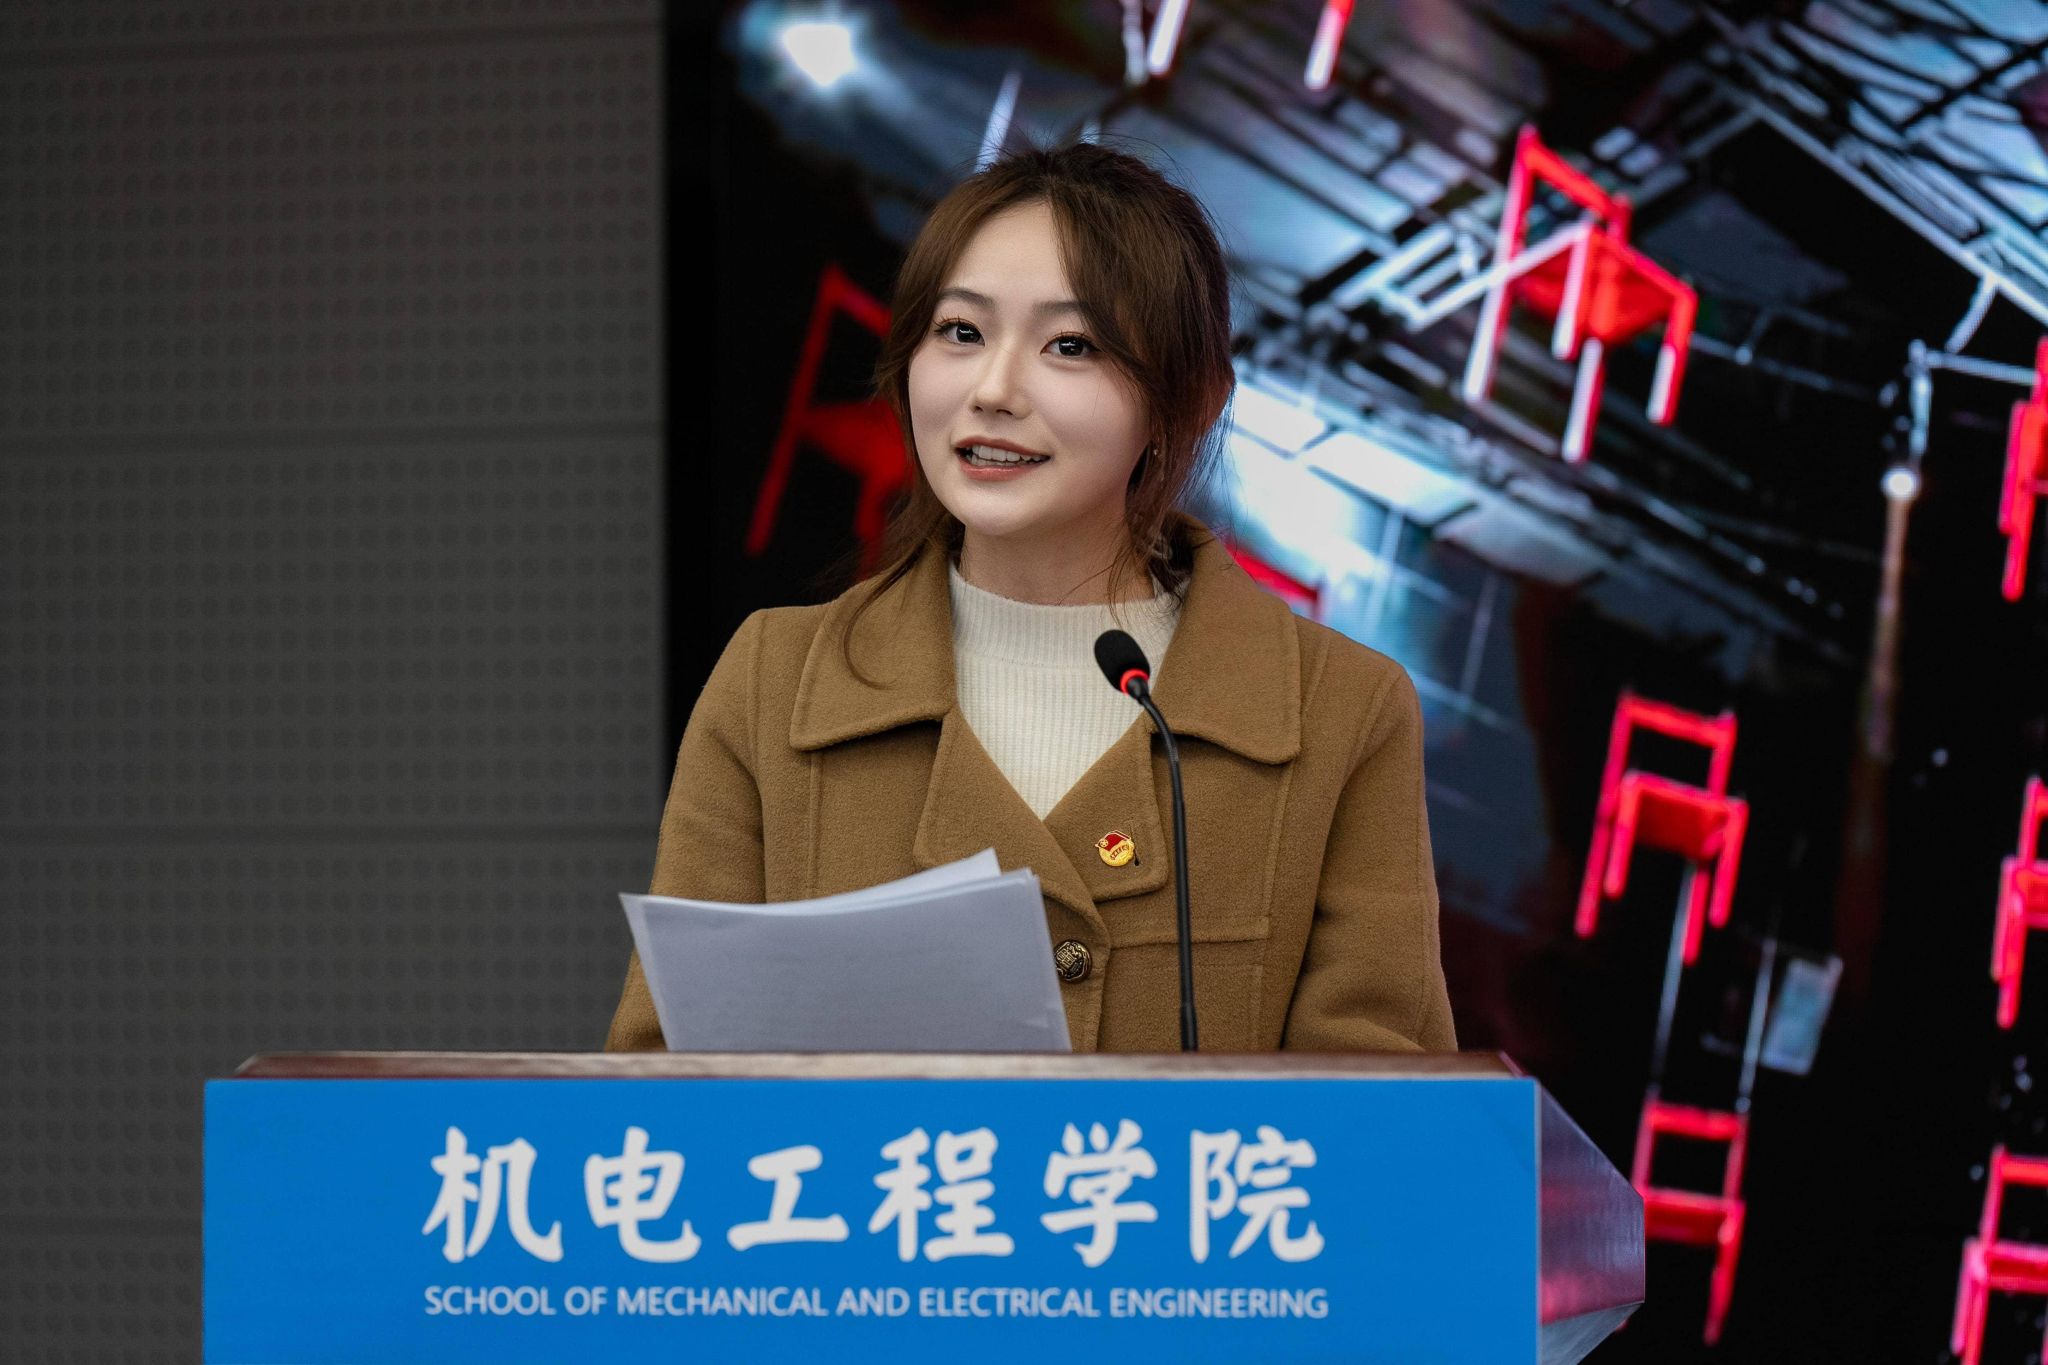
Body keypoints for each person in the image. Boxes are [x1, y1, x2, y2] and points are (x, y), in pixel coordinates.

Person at [604, 140, 1454, 1054]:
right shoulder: (772, 681)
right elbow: (662, 1086)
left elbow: (1384, 1114)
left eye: (1070, 345)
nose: (994, 389)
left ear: (1187, 404)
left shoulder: (1343, 713)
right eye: (960, 332)